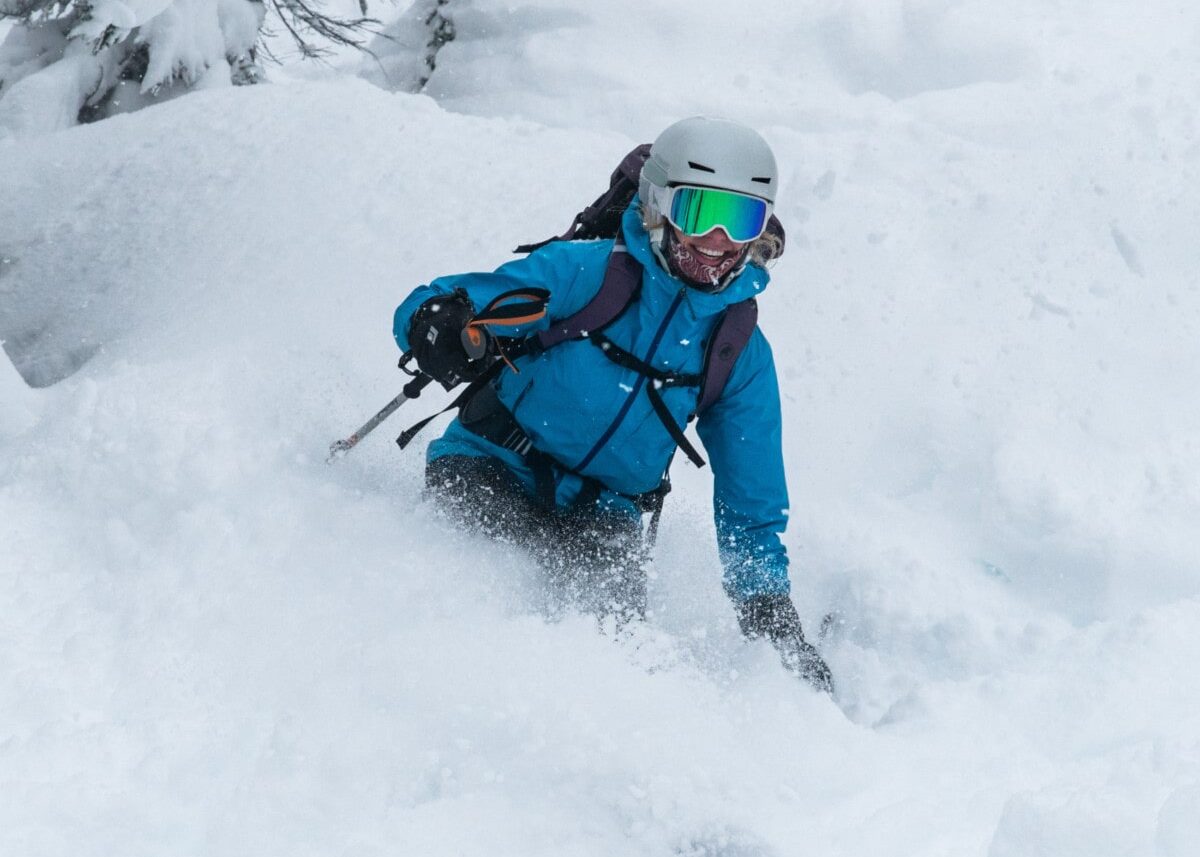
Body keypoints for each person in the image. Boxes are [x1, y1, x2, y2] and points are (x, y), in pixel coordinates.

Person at [392, 117, 833, 692]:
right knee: (471, 597)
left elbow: (751, 500)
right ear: (658, 205)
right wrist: (439, 324)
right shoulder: (586, 273)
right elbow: (440, 302)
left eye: (742, 218)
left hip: (605, 515)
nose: (718, 240)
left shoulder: (738, 349)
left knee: (608, 669)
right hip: (492, 463)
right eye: (700, 213)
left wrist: (767, 609)